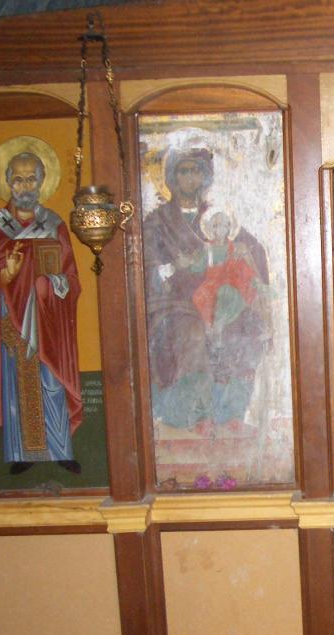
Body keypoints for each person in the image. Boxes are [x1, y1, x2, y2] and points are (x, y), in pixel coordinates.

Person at [142, 148, 269, 434]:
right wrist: (172, 268)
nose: (190, 178)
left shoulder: (215, 216)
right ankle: (193, 415)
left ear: (206, 177)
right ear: (172, 177)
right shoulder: (158, 221)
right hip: (175, 303)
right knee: (193, 333)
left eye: (196, 171)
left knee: (245, 329)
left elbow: (245, 244)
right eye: (183, 171)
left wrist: (248, 254)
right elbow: (147, 263)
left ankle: (231, 413)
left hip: (218, 301)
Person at [0, 151, 82, 475]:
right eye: (18, 179)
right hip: (12, 317)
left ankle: (60, 449)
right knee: (17, 383)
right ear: (9, 182)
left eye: (31, 178)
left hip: (48, 319)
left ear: (41, 182)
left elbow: (72, 278)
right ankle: (22, 452)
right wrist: (6, 275)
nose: (25, 185)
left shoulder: (54, 224)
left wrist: (51, 284)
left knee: (51, 380)